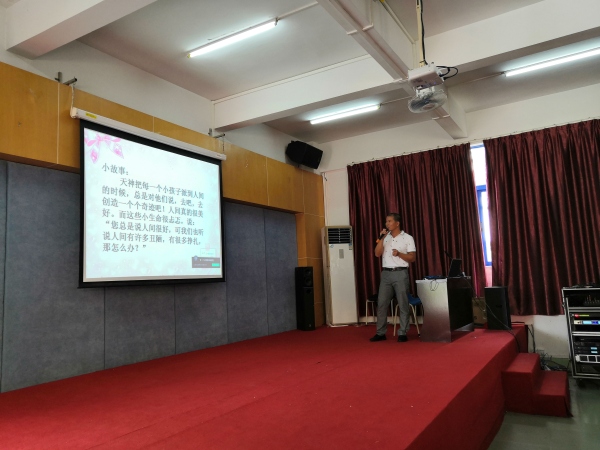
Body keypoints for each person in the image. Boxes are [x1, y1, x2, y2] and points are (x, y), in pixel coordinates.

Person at [370, 213, 416, 342]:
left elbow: (412, 257)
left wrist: (399, 254)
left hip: (400, 273)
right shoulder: (385, 237)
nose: (387, 224)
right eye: (386, 221)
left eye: (389, 221)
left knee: (402, 303)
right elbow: (377, 253)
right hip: (386, 273)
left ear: (397, 223)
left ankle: (403, 332)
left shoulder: (407, 238)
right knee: (382, 303)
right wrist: (381, 238)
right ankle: (380, 333)